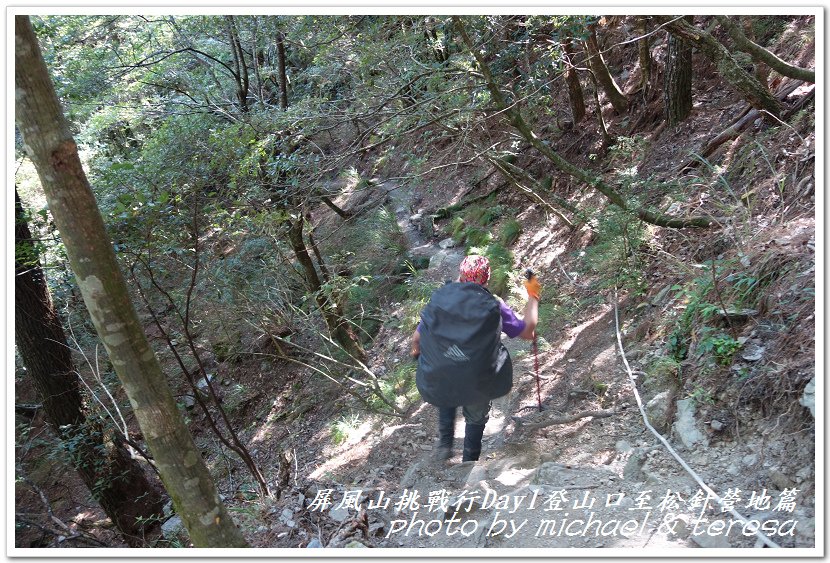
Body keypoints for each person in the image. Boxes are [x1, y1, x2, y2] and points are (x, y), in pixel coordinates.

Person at [410, 255, 540, 462]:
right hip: (478, 374)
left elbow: (417, 337)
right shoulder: (494, 304)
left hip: (443, 371)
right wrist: (533, 297)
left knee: (448, 389)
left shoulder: (442, 299)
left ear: (460, 276)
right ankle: (469, 461)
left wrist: (416, 352)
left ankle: (445, 444)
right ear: (486, 279)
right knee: (476, 416)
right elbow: (526, 333)